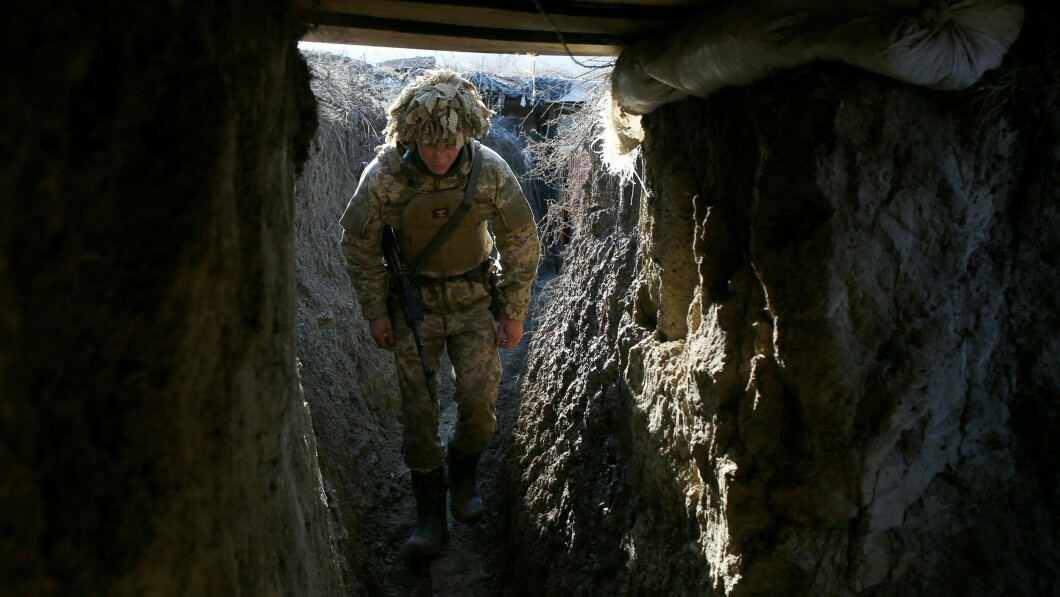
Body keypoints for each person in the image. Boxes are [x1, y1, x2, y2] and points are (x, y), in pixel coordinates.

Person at [339, 70, 540, 557]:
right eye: (429, 145)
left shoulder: (488, 170)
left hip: (473, 302)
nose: (439, 154)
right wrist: (375, 312)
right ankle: (430, 513)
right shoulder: (385, 175)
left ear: (465, 133)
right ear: (411, 137)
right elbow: (358, 245)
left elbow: (521, 241)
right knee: (419, 410)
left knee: (478, 399)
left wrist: (512, 313)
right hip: (414, 310)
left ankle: (464, 473)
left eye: (449, 144)